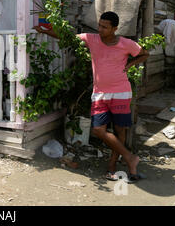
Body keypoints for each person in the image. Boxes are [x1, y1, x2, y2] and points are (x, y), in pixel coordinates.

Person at [33, 11, 150, 182]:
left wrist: (130, 64)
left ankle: (112, 166)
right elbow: (68, 37)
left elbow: (145, 54)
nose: (100, 29)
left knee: (120, 131)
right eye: (100, 25)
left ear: (115, 28)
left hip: (121, 93)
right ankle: (130, 157)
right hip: (100, 94)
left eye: (105, 27)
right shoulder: (92, 39)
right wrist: (44, 31)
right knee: (98, 130)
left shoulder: (126, 44)